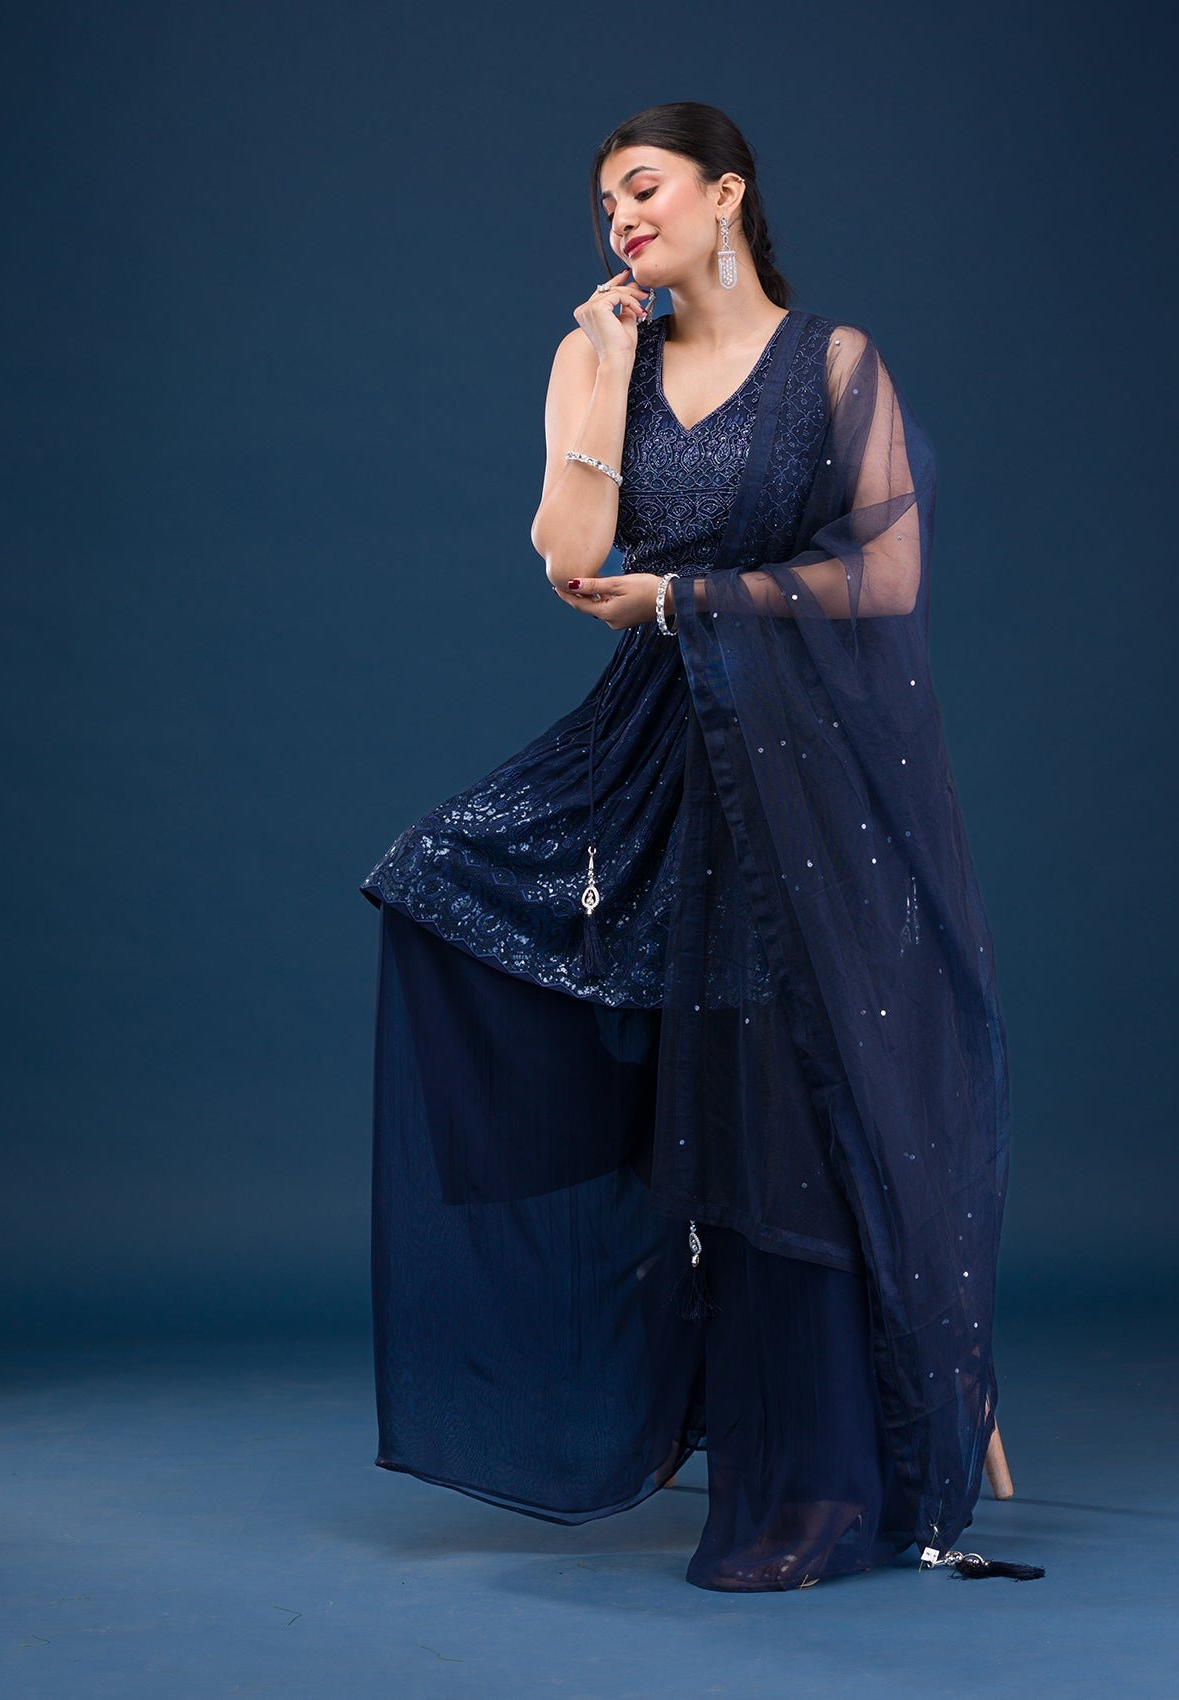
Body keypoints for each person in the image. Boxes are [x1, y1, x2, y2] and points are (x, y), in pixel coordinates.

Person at [359, 101, 1012, 1592]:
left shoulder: (835, 365)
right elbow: (568, 560)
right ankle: (648, 1371)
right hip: (657, 748)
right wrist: (599, 377)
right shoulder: (601, 360)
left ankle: (835, 1457)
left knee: (796, 1082)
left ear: (729, 193)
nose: (623, 220)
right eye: (606, 204)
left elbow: (887, 570)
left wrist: (690, 599)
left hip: (814, 765)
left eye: (645, 188)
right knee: (454, 888)